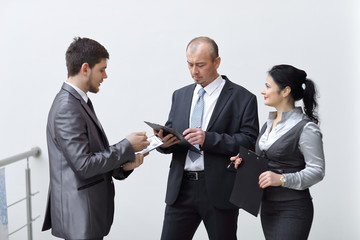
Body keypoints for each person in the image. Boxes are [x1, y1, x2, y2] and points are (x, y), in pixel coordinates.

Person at [42, 37, 150, 240]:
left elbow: (90, 155)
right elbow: (84, 165)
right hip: (80, 215)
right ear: (85, 68)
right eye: (102, 69)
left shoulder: (78, 102)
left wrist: (125, 166)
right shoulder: (67, 107)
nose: (105, 75)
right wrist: (126, 145)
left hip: (86, 214)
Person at [155, 36, 259, 240]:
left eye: (200, 65)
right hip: (180, 189)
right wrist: (163, 143)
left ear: (217, 62)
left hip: (220, 190)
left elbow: (249, 142)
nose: (194, 71)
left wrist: (207, 139)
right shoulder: (180, 95)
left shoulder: (243, 98)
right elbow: (172, 132)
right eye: (190, 64)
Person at [231, 64, 325, 240]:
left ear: (285, 91)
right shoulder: (267, 125)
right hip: (267, 207)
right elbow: (265, 161)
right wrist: (245, 162)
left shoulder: (307, 129)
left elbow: (317, 171)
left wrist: (282, 179)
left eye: (268, 86)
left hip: (293, 208)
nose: (262, 91)